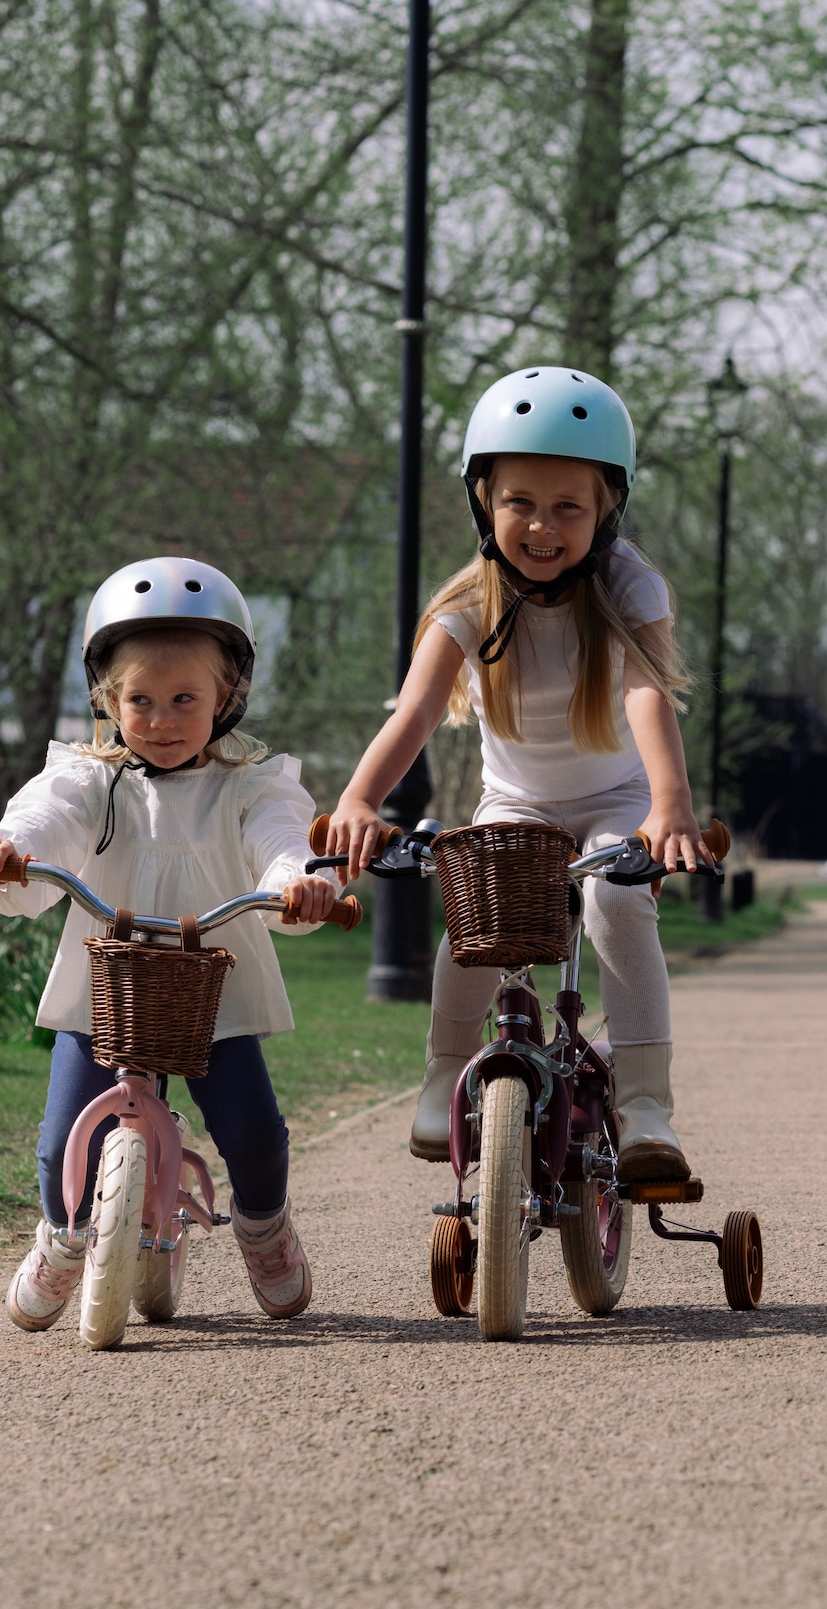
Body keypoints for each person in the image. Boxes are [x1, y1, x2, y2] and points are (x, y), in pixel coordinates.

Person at [328, 367, 706, 1181]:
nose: (541, 525)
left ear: (607, 511)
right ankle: (444, 1074)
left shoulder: (628, 585)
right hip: (518, 801)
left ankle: (646, 1103)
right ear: (483, 504)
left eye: (568, 507)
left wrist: (670, 806)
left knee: (617, 902)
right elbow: (415, 712)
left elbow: (644, 691)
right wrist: (359, 798)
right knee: (481, 914)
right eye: (519, 503)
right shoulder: (466, 602)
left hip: (619, 800)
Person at [0, 558, 338, 1331]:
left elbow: (281, 838)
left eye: (184, 700)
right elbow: (43, 821)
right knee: (62, 1139)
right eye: (140, 700)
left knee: (254, 1134)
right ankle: (64, 1234)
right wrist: (8, 847)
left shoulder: (249, 785)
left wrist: (298, 878)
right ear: (107, 699)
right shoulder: (87, 780)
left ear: (226, 697)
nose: (162, 720)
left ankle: (263, 1228)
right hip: (108, 995)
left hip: (214, 996)